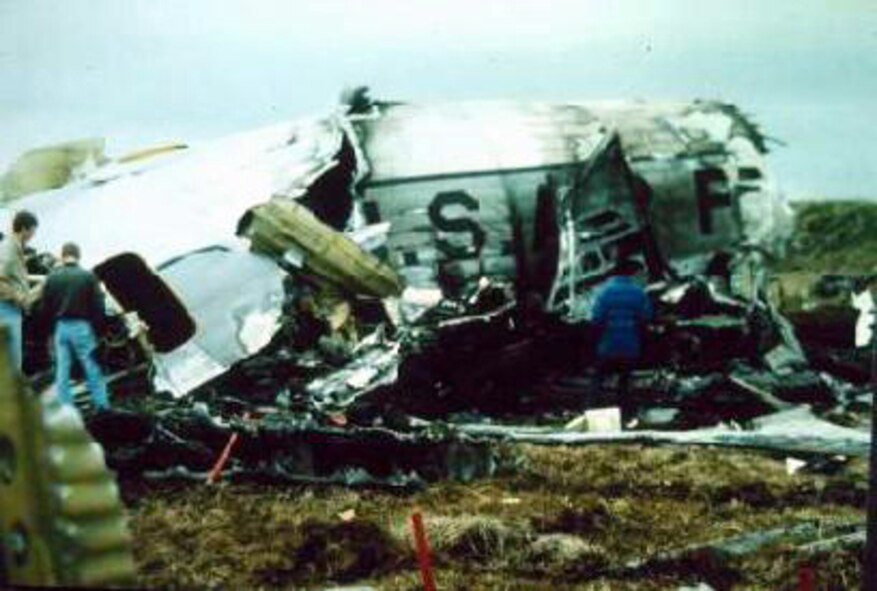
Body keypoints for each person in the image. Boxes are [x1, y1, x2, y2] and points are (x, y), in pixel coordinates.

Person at [41, 242, 109, 409]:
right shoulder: (87, 276)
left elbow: (45, 309)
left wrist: (51, 331)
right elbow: (98, 306)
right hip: (81, 327)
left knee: (62, 370)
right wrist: (99, 330)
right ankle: (102, 405)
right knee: (91, 366)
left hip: (60, 328)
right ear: (78, 256)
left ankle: (67, 409)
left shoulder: (51, 278)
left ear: (63, 256)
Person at [591, 258, 652, 400]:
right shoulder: (639, 293)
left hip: (607, 345)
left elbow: (597, 318)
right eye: (642, 274)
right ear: (634, 273)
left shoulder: (603, 292)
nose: (644, 278)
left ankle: (592, 406)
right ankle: (624, 409)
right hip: (629, 345)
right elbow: (646, 317)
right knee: (625, 382)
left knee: (598, 379)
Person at [0, 210, 39, 370]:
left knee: (13, 353)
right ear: (24, 229)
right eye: (32, 231)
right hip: (7, 308)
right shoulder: (9, 249)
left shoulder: (13, 246)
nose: (33, 235)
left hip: (11, 307)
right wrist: (20, 298)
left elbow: (13, 275)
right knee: (14, 356)